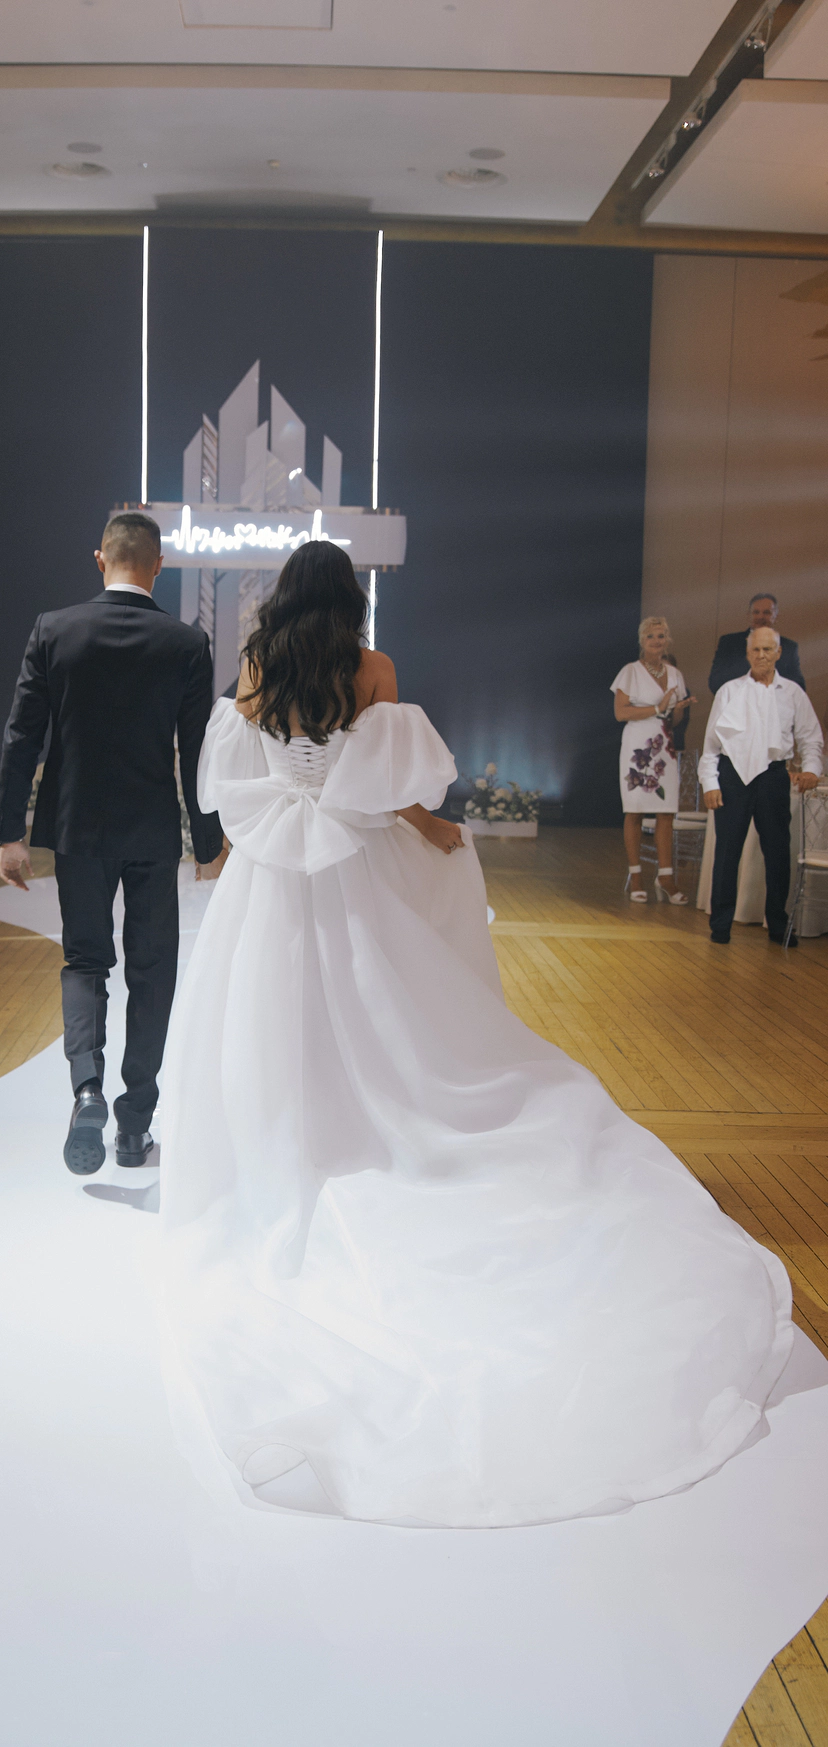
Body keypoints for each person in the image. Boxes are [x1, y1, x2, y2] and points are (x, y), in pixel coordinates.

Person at [157, 541, 791, 1530]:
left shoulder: (256, 666)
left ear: (283, 596)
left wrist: (248, 840)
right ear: (350, 597)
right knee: (387, 1020)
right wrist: (433, 829)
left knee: (269, 1016)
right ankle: (373, 1130)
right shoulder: (370, 669)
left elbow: (237, 774)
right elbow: (385, 786)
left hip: (272, 877)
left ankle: (288, 1142)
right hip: (350, 865)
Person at [0, 511, 227, 1174]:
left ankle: (87, 1090)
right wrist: (207, 842)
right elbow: (197, 753)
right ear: (159, 566)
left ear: (100, 559)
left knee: (85, 961)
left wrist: (10, 833)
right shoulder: (187, 643)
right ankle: (133, 1127)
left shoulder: (55, 630)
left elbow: (22, 738)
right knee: (151, 973)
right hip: (151, 830)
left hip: (78, 827)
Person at [700, 626, 823, 946]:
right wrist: (710, 782)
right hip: (732, 777)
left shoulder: (793, 693)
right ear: (747, 653)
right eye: (755, 650)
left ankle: (779, 924)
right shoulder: (729, 691)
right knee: (727, 853)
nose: (761, 655)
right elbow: (711, 745)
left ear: (779, 653)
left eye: (768, 650)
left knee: (778, 853)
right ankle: (721, 924)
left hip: (773, 777)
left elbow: (811, 738)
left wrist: (811, 769)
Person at [611, 617, 695, 903]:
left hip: (663, 744)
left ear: (667, 640)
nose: (656, 641)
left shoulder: (675, 674)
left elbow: (674, 718)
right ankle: (636, 875)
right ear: (642, 641)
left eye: (661, 636)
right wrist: (657, 708)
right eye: (650, 637)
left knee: (665, 811)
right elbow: (621, 713)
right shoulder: (630, 672)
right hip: (638, 744)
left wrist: (678, 708)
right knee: (634, 810)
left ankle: (666, 876)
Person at [708, 592, 805, 695]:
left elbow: (798, 686)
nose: (761, 617)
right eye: (756, 612)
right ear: (749, 615)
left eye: (766, 612)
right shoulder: (729, 642)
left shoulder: (789, 647)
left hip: (774, 701)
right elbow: (715, 682)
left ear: (776, 616)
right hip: (737, 701)